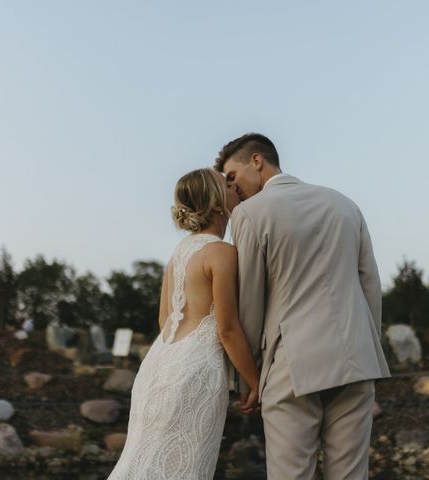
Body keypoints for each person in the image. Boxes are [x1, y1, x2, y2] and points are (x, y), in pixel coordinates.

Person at [215, 133, 391, 479]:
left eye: (232, 178)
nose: (232, 190)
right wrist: (370, 349)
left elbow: (249, 302)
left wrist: (249, 379)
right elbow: (369, 283)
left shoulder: (249, 213)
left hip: (291, 364)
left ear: (257, 161)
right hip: (356, 359)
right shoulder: (344, 204)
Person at [107, 168, 259, 480]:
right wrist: (255, 382)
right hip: (195, 374)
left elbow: (165, 320)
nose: (235, 188)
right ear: (217, 203)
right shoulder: (221, 252)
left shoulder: (178, 253)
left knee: (141, 461)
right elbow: (227, 328)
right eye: (227, 185)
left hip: (157, 367)